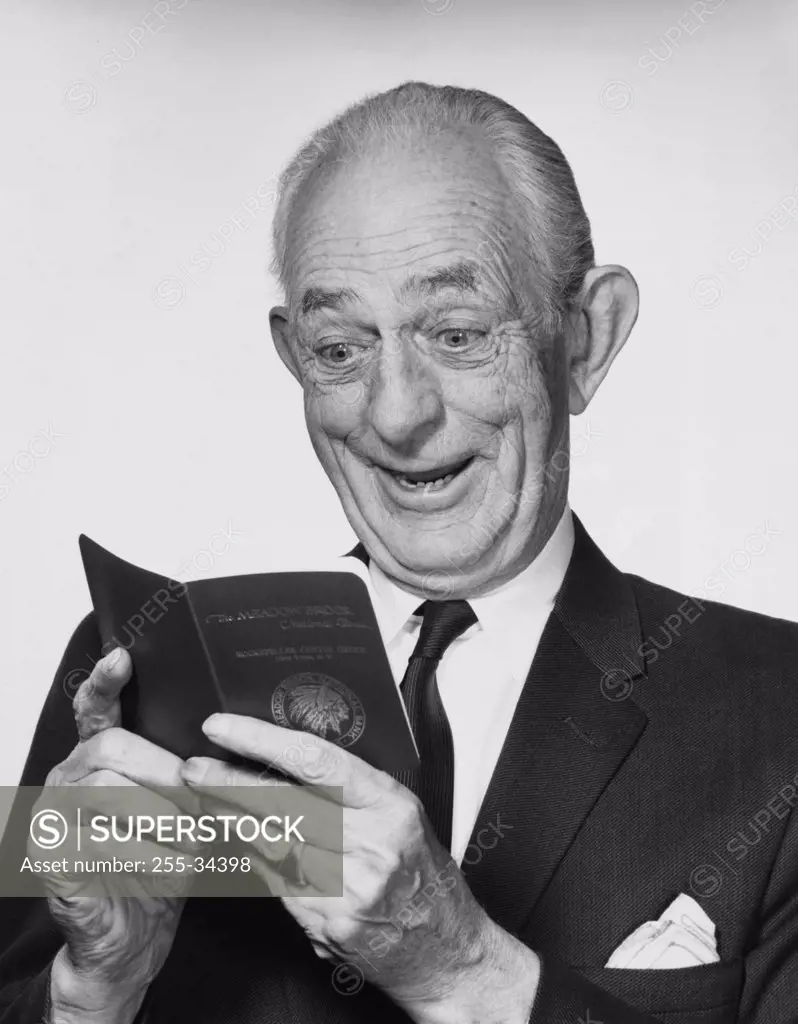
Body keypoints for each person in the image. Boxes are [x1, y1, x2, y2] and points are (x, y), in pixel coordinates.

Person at [1, 80, 797, 1024]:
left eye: (457, 335)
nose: (395, 414)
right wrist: (94, 992)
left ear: (585, 340)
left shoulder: (775, 713)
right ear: (292, 355)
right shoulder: (130, 659)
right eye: (339, 349)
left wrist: (465, 973)